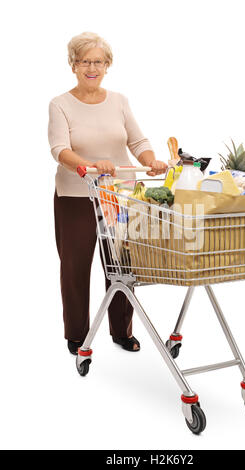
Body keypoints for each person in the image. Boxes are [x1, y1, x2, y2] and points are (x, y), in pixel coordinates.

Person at [48, 31, 167, 355]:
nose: (92, 67)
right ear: (73, 64)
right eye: (85, 61)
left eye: (98, 61)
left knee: (121, 264)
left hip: (120, 193)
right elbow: (60, 148)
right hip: (76, 194)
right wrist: (89, 165)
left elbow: (138, 141)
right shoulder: (61, 104)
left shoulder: (119, 101)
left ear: (107, 65)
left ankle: (121, 331)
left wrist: (151, 161)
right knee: (75, 265)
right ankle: (77, 334)